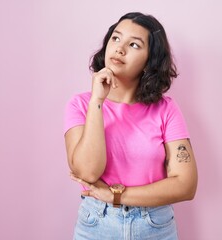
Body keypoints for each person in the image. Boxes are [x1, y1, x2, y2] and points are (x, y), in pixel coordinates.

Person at [63, 12, 198, 240]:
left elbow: (186, 185)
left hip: (155, 226)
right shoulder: (80, 104)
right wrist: (97, 101)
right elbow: (87, 172)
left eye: (134, 44)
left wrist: (116, 195)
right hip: (97, 224)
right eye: (115, 39)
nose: (120, 48)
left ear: (149, 60)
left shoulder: (166, 109)